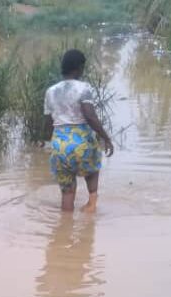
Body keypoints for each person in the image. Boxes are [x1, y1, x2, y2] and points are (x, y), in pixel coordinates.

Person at [42, 49, 114, 213]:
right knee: (92, 169)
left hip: (59, 144)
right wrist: (106, 138)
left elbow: (48, 123)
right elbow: (90, 116)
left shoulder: (50, 91)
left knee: (67, 192)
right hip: (81, 142)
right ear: (80, 67)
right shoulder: (83, 88)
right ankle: (91, 205)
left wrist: (49, 142)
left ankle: (65, 224)